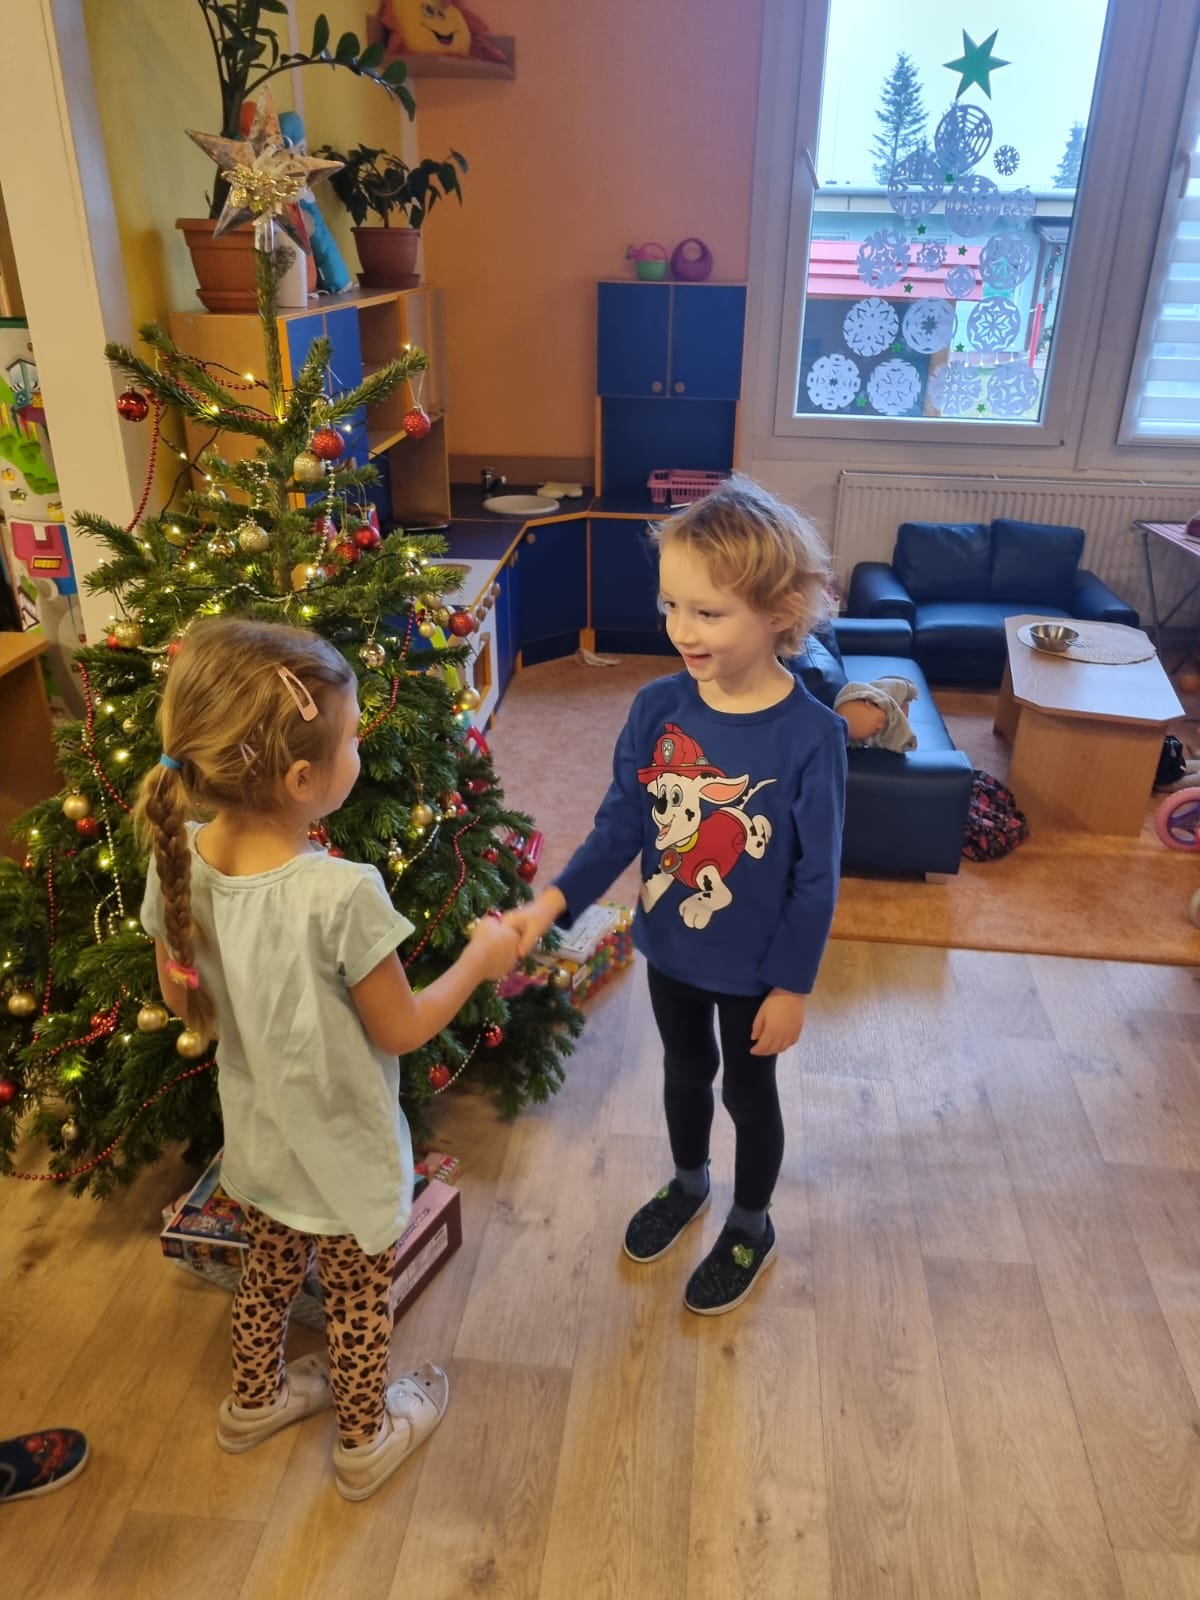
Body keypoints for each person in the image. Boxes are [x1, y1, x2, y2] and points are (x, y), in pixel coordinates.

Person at [135, 618, 520, 1501]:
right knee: (355, 1302)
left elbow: (183, 1002)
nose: (360, 750)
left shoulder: (180, 858)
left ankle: (253, 1402)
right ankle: (365, 1440)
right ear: (302, 781)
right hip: (345, 1149)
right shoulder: (342, 893)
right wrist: (478, 961)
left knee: (266, 1274)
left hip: (260, 1141)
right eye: (351, 739)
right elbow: (403, 1029)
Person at [510, 475, 846, 1315]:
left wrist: (794, 985)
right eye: (671, 606)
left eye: (708, 612)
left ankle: (752, 1222)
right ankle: (689, 1182)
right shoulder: (656, 707)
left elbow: (816, 876)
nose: (681, 630)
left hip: (758, 968)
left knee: (747, 1095)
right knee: (685, 1074)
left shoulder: (814, 737)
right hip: (671, 947)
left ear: (779, 613)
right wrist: (553, 905)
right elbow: (620, 826)